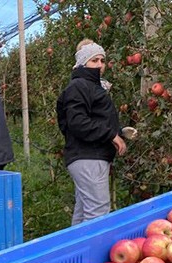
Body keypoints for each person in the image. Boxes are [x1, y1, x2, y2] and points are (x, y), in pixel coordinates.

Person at [56, 41, 127, 225]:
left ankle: (73, 252)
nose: (100, 65)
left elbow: (95, 120)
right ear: (82, 63)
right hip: (88, 156)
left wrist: (120, 132)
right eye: (94, 60)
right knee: (98, 213)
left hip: (91, 156)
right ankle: (92, 254)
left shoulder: (94, 87)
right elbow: (77, 123)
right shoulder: (79, 86)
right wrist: (111, 135)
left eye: (102, 60)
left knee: (83, 214)